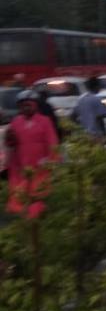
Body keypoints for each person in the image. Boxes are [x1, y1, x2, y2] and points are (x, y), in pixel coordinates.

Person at [5, 90, 60, 218]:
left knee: (38, 191)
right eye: (23, 105)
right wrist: (9, 139)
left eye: (29, 105)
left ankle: (36, 217)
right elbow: (11, 143)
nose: (26, 108)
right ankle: (22, 215)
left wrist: (52, 160)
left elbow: (52, 142)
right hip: (21, 164)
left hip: (40, 164)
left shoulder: (45, 121)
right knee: (20, 191)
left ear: (35, 106)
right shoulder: (16, 121)